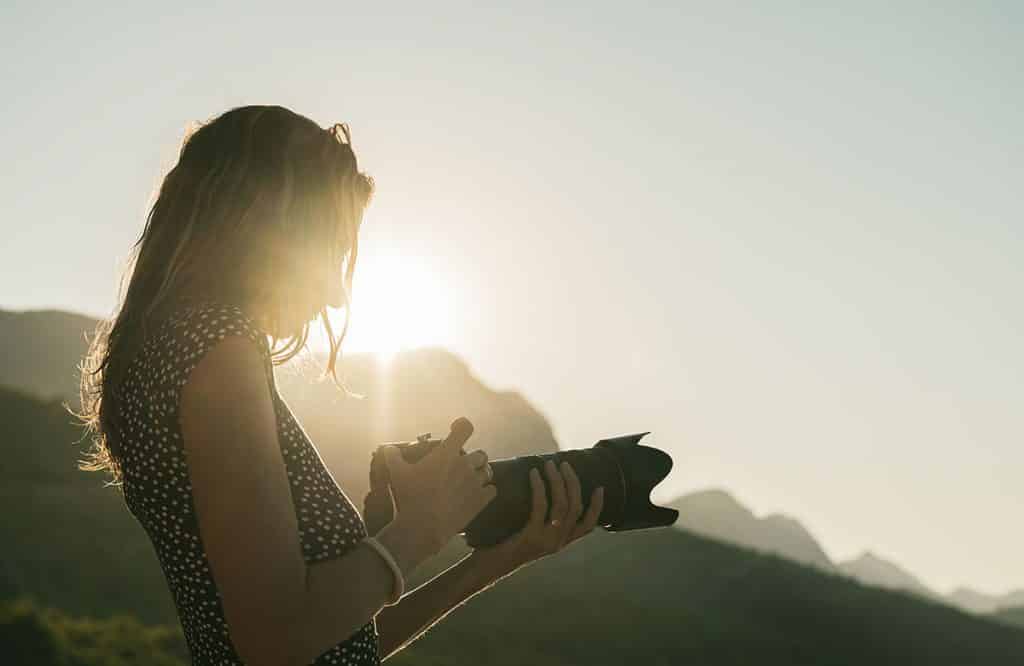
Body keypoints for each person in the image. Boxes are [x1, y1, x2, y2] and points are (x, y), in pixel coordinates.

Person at [75, 105, 605, 666]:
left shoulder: (172, 349)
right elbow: (274, 643)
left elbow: (334, 644)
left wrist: (493, 561)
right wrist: (422, 527)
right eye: (330, 248)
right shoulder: (218, 352)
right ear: (267, 228)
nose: (333, 293)